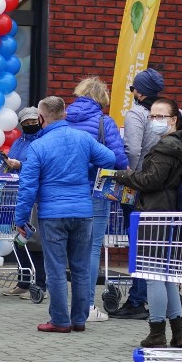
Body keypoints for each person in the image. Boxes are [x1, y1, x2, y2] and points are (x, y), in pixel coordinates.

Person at [15, 96, 115, 333]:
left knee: (56, 269)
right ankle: (79, 319)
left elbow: (27, 187)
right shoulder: (83, 138)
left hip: (52, 215)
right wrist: (87, 168)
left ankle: (60, 320)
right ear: (64, 114)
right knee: (80, 268)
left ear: (41, 118)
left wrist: (21, 219)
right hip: (83, 211)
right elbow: (110, 159)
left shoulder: (38, 146)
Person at [113, 68, 182, 320]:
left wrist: (135, 179)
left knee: (142, 250)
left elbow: (132, 151)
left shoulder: (137, 115)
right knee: (165, 250)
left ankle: (138, 301)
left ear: (139, 92)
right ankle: (168, 304)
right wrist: (174, 172)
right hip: (173, 193)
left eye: (133, 89)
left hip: (144, 190)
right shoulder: (177, 113)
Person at [109, 98, 182, 348]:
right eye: (152, 117)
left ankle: (157, 331)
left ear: (174, 120)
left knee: (154, 275)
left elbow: (151, 180)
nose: (154, 121)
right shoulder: (177, 145)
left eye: (160, 117)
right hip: (167, 212)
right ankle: (179, 331)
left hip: (156, 214)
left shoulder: (166, 148)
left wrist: (123, 176)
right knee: (166, 276)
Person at [64, 77, 128, 323]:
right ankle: (87, 306)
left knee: (69, 249)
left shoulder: (65, 120)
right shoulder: (104, 121)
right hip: (96, 191)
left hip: (67, 192)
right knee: (91, 250)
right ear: (102, 99)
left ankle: (65, 305)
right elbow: (118, 159)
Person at [2, 107, 48, 300]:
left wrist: (20, 165)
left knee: (34, 241)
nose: (30, 125)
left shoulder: (44, 141)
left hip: (35, 195)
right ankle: (23, 282)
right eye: (26, 123)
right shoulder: (19, 142)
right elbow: (11, 160)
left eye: (32, 121)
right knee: (18, 239)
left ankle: (40, 285)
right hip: (18, 193)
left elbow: (43, 165)